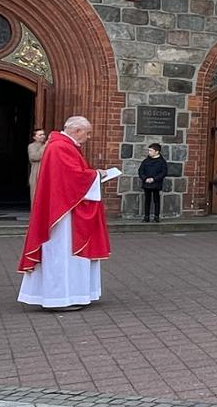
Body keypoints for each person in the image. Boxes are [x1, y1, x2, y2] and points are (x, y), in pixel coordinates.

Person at [17, 116, 115, 311]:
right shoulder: (60, 147)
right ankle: (59, 298)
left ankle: (72, 294)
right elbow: (72, 178)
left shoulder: (61, 145)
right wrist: (98, 174)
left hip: (66, 208)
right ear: (77, 131)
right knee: (61, 254)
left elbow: (73, 175)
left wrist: (92, 174)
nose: (88, 137)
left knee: (67, 256)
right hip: (62, 213)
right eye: (87, 133)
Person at [139, 143, 169, 223]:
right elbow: (141, 171)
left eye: (151, 151)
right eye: (149, 150)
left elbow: (163, 172)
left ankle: (156, 216)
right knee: (147, 200)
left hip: (156, 183)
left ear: (157, 152)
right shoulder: (146, 161)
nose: (149, 152)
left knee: (156, 200)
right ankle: (146, 216)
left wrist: (154, 179)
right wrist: (145, 178)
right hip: (147, 183)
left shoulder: (162, 162)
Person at [27, 128, 48, 197]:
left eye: (43, 134)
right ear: (34, 137)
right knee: (35, 196)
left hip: (46, 173)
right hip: (36, 173)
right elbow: (35, 157)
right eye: (40, 135)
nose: (43, 136)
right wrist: (45, 146)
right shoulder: (31, 146)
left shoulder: (48, 146)